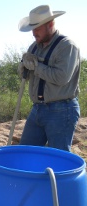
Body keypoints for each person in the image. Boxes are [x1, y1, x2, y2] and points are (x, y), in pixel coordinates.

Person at [17, 5, 81, 152]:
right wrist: (23, 67)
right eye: (33, 28)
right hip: (37, 108)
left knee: (57, 157)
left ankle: (57, 176)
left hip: (62, 110)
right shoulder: (34, 47)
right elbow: (24, 76)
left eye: (37, 28)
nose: (34, 33)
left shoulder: (67, 46)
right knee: (26, 152)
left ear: (50, 24)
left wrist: (36, 66)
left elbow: (61, 77)